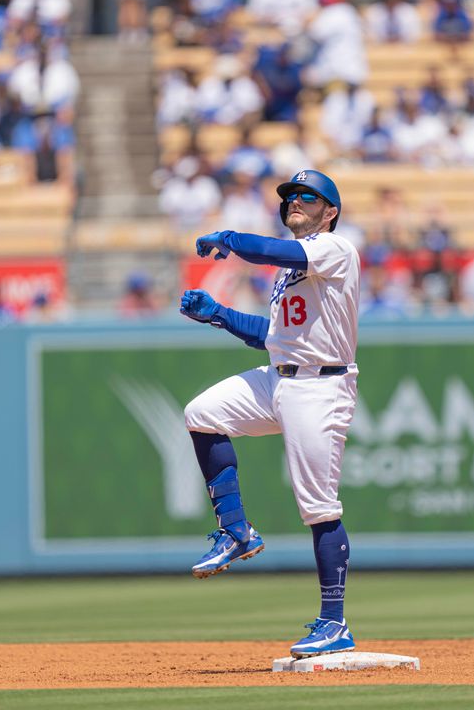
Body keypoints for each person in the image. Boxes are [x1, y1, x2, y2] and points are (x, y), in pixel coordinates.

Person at [179, 168, 360, 659]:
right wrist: (217, 313)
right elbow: (274, 337)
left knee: (318, 508)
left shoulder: (334, 250)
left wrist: (230, 239)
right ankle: (237, 530)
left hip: (321, 387)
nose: (296, 201)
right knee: (202, 413)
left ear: (331, 210)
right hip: (280, 375)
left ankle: (334, 622)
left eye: (308, 196)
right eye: (290, 196)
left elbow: (274, 250)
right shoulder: (290, 270)